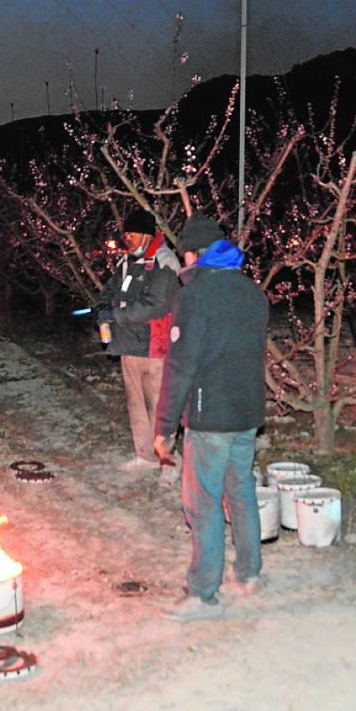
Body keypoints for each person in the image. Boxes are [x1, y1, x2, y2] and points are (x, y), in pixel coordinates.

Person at [153, 212, 269, 622]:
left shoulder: (197, 296)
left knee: (201, 503)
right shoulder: (252, 292)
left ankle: (203, 594)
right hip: (247, 414)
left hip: (211, 418)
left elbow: (180, 365)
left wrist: (165, 428)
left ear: (192, 253)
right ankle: (250, 573)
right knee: (240, 493)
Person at [94, 210, 181, 473]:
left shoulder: (164, 261)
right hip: (129, 345)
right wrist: (100, 308)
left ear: (146, 233)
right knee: (136, 405)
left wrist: (117, 315)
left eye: (131, 234)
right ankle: (144, 455)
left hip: (155, 347)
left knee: (159, 407)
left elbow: (155, 305)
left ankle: (167, 462)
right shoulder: (128, 262)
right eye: (125, 234)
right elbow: (109, 290)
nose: (127, 239)